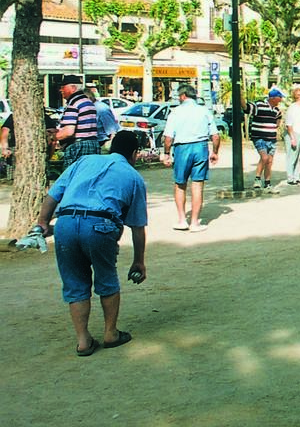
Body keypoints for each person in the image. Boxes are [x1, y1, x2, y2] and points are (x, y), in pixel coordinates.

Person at [19, 130, 147, 356]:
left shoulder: (84, 161)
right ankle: (110, 333)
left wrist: (42, 223)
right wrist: (139, 261)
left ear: (110, 147)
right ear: (134, 153)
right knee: (106, 278)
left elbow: (53, 195)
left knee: (75, 282)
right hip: (102, 224)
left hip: (66, 221)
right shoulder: (134, 177)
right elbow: (137, 226)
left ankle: (83, 340)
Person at [160, 84, 220, 232]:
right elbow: (215, 135)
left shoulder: (175, 112)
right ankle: (194, 222)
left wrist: (166, 153)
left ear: (182, 96)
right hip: (200, 147)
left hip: (182, 148)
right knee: (197, 185)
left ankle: (182, 220)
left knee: (180, 184)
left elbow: (168, 137)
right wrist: (215, 152)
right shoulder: (204, 111)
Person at [55, 74, 100, 169]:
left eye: (63, 87)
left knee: (72, 179)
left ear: (73, 88)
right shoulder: (88, 102)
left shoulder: (74, 103)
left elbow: (69, 131)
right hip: (93, 145)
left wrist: (52, 137)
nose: (61, 90)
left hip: (78, 147)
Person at [246, 88, 284, 189]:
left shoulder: (276, 110)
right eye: (279, 98)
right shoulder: (259, 105)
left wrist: (276, 127)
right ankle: (257, 179)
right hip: (259, 137)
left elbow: (279, 118)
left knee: (270, 160)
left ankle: (267, 182)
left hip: (271, 138)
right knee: (264, 157)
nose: (281, 100)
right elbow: (247, 108)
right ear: (273, 98)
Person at [283, 86, 300, 185]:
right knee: (292, 156)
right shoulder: (293, 108)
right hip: (295, 134)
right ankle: (290, 177)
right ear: (299, 96)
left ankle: (296, 176)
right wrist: (292, 138)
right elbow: (289, 124)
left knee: (299, 157)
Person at [84, 84, 120, 151]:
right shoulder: (88, 108)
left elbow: (112, 131)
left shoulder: (101, 109)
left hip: (101, 144)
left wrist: (107, 148)